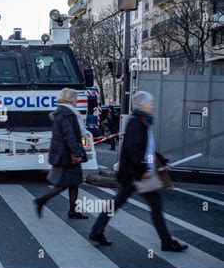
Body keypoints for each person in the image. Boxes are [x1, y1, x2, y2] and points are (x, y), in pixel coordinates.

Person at [89, 91, 188, 252]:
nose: (152, 106)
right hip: (135, 174)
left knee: (117, 204)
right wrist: (142, 171)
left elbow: (147, 148)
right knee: (154, 206)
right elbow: (133, 149)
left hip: (133, 173)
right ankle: (166, 241)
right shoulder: (137, 122)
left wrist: (162, 161)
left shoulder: (142, 121)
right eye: (150, 103)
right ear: (142, 104)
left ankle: (96, 231)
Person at [34, 87, 89, 219]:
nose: (77, 100)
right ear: (70, 99)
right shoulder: (66, 114)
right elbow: (69, 135)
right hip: (66, 155)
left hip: (66, 153)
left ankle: (73, 210)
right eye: (75, 97)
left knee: (75, 182)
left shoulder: (66, 112)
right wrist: (77, 152)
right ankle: (41, 200)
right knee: (64, 184)